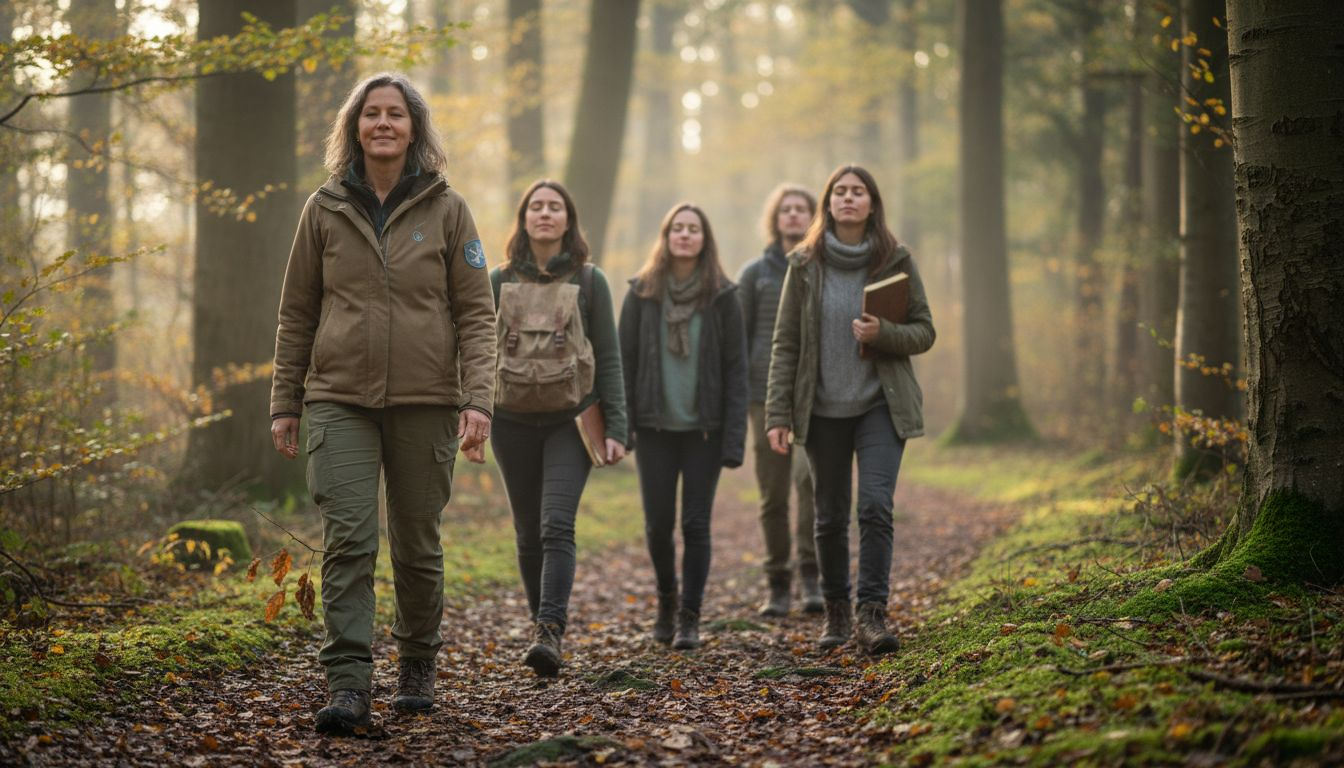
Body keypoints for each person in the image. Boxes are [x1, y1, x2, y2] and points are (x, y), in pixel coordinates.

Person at [269, 73, 496, 733]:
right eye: (372, 114)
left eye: (396, 113)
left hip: (427, 400)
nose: (384, 124)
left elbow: (477, 315)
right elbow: (296, 313)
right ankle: (347, 683)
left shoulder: (449, 209)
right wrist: (285, 401)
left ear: (414, 127)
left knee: (417, 544)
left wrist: (479, 400)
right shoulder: (323, 208)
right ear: (355, 127)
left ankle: (418, 663)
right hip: (338, 399)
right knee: (348, 540)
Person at [764, 165, 935, 655]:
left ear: (872, 203)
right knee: (829, 516)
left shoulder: (896, 259)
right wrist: (778, 414)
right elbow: (785, 344)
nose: (848, 198)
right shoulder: (804, 264)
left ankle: (871, 615)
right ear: (828, 203)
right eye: (840, 191)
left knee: (875, 506)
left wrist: (885, 334)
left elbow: (924, 330)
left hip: (880, 404)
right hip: (822, 411)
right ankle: (836, 614)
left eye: (858, 191)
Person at [488, 179, 628, 677]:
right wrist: (471, 413)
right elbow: (478, 352)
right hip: (509, 421)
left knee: (556, 524)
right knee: (528, 531)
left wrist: (618, 427)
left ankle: (550, 629)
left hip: (572, 421)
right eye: (536, 207)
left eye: (554, 207)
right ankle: (539, 629)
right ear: (524, 218)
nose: (545, 213)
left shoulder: (591, 281)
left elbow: (609, 357)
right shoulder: (497, 280)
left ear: (568, 220)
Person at [619, 203, 748, 650]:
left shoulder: (723, 297)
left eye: (694, 229)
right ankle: (666, 600)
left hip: (704, 433)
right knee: (658, 525)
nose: (686, 235)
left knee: (695, 524)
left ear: (704, 239)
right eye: (678, 228)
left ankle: (690, 617)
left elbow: (736, 370)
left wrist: (734, 439)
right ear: (666, 236)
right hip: (654, 430)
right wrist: (622, 426)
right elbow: (623, 363)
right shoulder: (641, 294)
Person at [737, 184, 821, 617]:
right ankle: (777, 583)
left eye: (801, 209)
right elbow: (739, 338)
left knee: (809, 484)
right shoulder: (755, 274)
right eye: (785, 209)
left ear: (813, 217)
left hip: (813, 395)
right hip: (761, 396)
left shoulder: (822, 268)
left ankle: (811, 577)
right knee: (772, 494)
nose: (793, 215)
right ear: (775, 218)